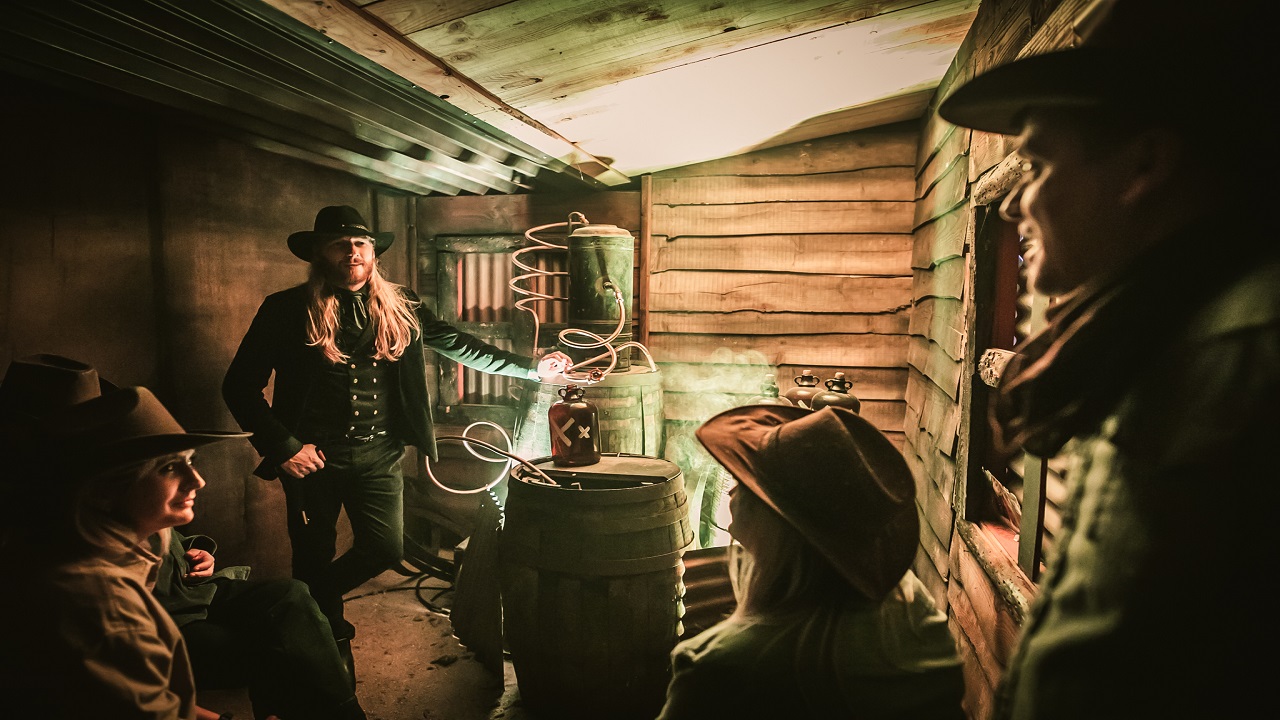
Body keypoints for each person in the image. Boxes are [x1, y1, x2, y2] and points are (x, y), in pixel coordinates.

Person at [937, 1, 1277, 718]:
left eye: (1038, 164)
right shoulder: (1155, 331)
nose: (1010, 207)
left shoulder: (1242, 358)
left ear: (1145, 164)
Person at [222, 204, 571, 672]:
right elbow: (239, 386)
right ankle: (328, 650)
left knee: (385, 549)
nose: (352, 252)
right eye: (340, 244)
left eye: (361, 243)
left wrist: (531, 369)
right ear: (319, 254)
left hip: (379, 454)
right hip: (312, 459)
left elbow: (458, 343)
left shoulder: (401, 304)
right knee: (312, 554)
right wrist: (284, 448)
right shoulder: (285, 309)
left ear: (373, 252)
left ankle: (305, 608)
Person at [657, 404, 966, 719]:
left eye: (750, 482)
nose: (733, 489)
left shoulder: (718, 669)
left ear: (779, 523)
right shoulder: (918, 614)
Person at [0, 354, 248, 719]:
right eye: (167, 466)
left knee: (289, 599)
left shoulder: (74, 537)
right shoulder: (101, 603)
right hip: (179, 615)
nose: (198, 481)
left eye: (191, 461)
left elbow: (144, 700)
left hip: (182, 601)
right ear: (101, 486)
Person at [152, 526, 367, 720]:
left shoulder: (141, 512)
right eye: (172, 478)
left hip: (195, 589)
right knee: (277, 641)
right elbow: (128, 688)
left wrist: (195, 552)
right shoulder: (121, 561)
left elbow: (169, 539)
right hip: (170, 617)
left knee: (292, 594)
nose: (196, 482)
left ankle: (347, 713)